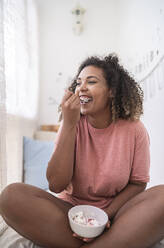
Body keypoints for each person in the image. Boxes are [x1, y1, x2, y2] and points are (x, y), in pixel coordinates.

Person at [0, 54, 164, 248]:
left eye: (91, 81)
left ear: (112, 91)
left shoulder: (135, 130)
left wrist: (105, 216)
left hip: (116, 214)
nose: (81, 88)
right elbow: (55, 185)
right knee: (11, 195)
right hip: (70, 212)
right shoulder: (71, 124)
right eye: (78, 83)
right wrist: (69, 123)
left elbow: (138, 183)